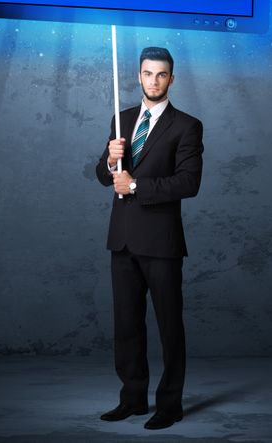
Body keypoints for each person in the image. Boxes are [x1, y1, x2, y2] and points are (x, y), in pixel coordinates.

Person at [95, 46, 204, 430]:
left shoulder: (187, 126)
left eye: (161, 75)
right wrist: (111, 160)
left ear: (171, 79)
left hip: (161, 242)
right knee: (127, 324)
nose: (153, 81)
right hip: (122, 240)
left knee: (169, 326)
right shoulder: (122, 119)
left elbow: (189, 183)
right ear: (138, 76)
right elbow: (102, 173)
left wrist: (136, 184)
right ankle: (133, 398)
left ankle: (169, 404)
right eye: (147, 73)